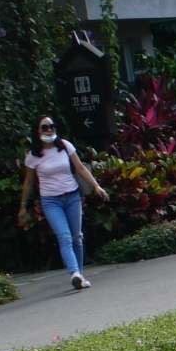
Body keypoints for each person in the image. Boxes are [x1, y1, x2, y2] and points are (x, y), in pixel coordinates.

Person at [19, 114, 109, 288]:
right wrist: (23, 206)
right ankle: (74, 272)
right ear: (37, 131)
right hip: (51, 201)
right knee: (64, 236)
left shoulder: (65, 146)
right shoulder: (33, 155)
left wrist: (96, 186)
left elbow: (80, 168)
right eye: (44, 127)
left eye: (51, 126)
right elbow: (29, 182)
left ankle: (79, 276)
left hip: (72, 197)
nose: (49, 129)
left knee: (77, 237)